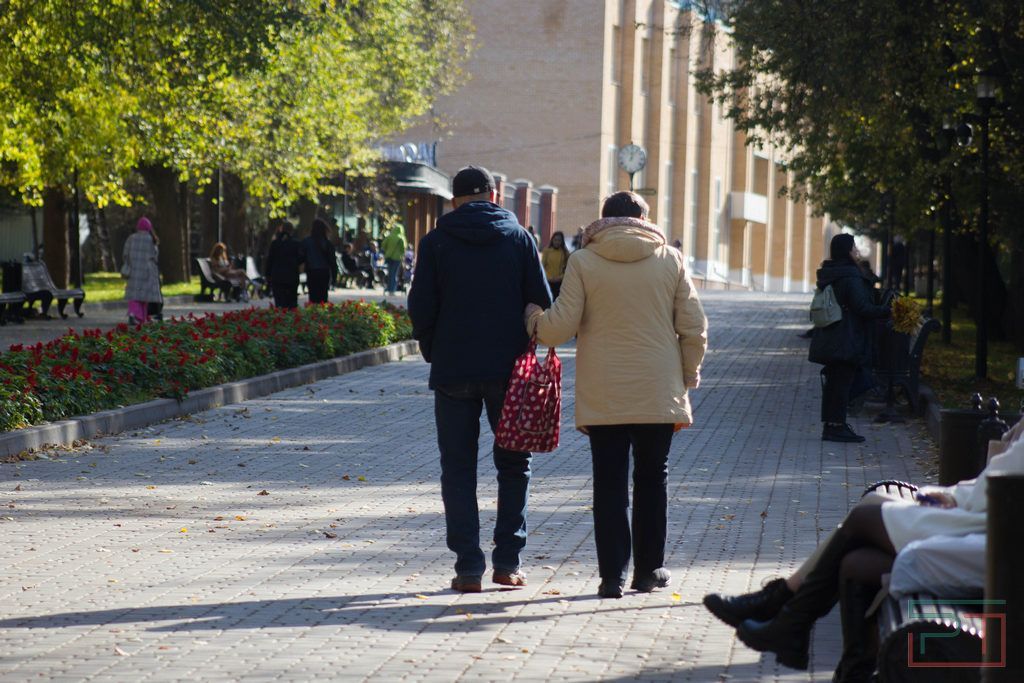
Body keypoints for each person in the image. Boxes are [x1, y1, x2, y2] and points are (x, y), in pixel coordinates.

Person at [702, 429, 1024, 679]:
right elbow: (991, 483)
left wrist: (953, 496)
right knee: (856, 559)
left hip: (993, 538)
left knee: (862, 520)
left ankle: (785, 614)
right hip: (984, 524)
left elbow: (998, 487)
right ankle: (816, 644)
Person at [525, 191, 708, 599]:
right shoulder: (671, 260)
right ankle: (649, 571)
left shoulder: (585, 261)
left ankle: (611, 576)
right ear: (644, 219)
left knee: (608, 484)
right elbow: (694, 329)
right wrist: (687, 376)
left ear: (604, 219)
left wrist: (534, 319)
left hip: (604, 393)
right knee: (652, 480)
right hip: (658, 390)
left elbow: (561, 326)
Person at [408, 165, 552, 593]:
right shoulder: (519, 238)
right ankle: (508, 563)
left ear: (454, 200)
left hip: (453, 369)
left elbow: (420, 307)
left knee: (457, 468)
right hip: (509, 372)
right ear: (493, 196)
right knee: (514, 465)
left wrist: (435, 349)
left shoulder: (435, 243)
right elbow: (541, 301)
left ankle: (468, 567)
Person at [809, 234, 890, 443]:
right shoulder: (850, 276)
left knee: (834, 383)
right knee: (842, 383)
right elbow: (861, 307)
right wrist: (886, 311)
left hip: (832, 335)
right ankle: (836, 426)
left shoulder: (831, 272)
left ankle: (832, 425)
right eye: (854, 247)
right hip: (847, 337)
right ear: (847, 251)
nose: (857, 251)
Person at [123, 217, 162, 324]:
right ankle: (141, 318)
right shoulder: (151, 239)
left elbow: (125, 254)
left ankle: (133, 314)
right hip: (147, 272)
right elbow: (155, 256)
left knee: (134, 295)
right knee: (144, 297)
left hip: (134, 271)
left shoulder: (131, 238)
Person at [264, 221, 304, 309]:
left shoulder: (275, 243)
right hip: (292, 275)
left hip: (277, 276)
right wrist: (294, 263)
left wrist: (267, 274)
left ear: (281, 229)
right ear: (292, 231)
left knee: (279, 302)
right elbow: (302, 258)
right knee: (292, 302)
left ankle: (281, 319)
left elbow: (270, 260)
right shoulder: (296, 243)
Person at [302, 218, 338, 304]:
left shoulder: (307, 242)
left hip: (312, 272)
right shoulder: (327, 243)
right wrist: (334, 277)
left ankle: (313, 314)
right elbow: (332, 261)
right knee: (323, 297)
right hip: (324, 272)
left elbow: (302, 257)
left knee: (313, 296)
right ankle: (321, 314)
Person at [540, 231, 570, 299]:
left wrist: (560, 278)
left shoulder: (565, 253)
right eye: (555, 240)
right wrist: (549, 277)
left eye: (559, 240)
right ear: (552, 240)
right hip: (547, 282)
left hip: (560, 283)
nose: (557, 242)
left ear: (562, 241)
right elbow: (542, 267)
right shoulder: (546, 251)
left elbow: (568, 269)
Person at [381, 223, 408, 295]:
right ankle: (392, 290)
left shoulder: (389, 237)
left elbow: (383, 245)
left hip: (389, 257)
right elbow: (403, 249)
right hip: (397, 258)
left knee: (390, 273)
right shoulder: (401, 238)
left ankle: (389, 288)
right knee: (394, 273)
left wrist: (387, 251)